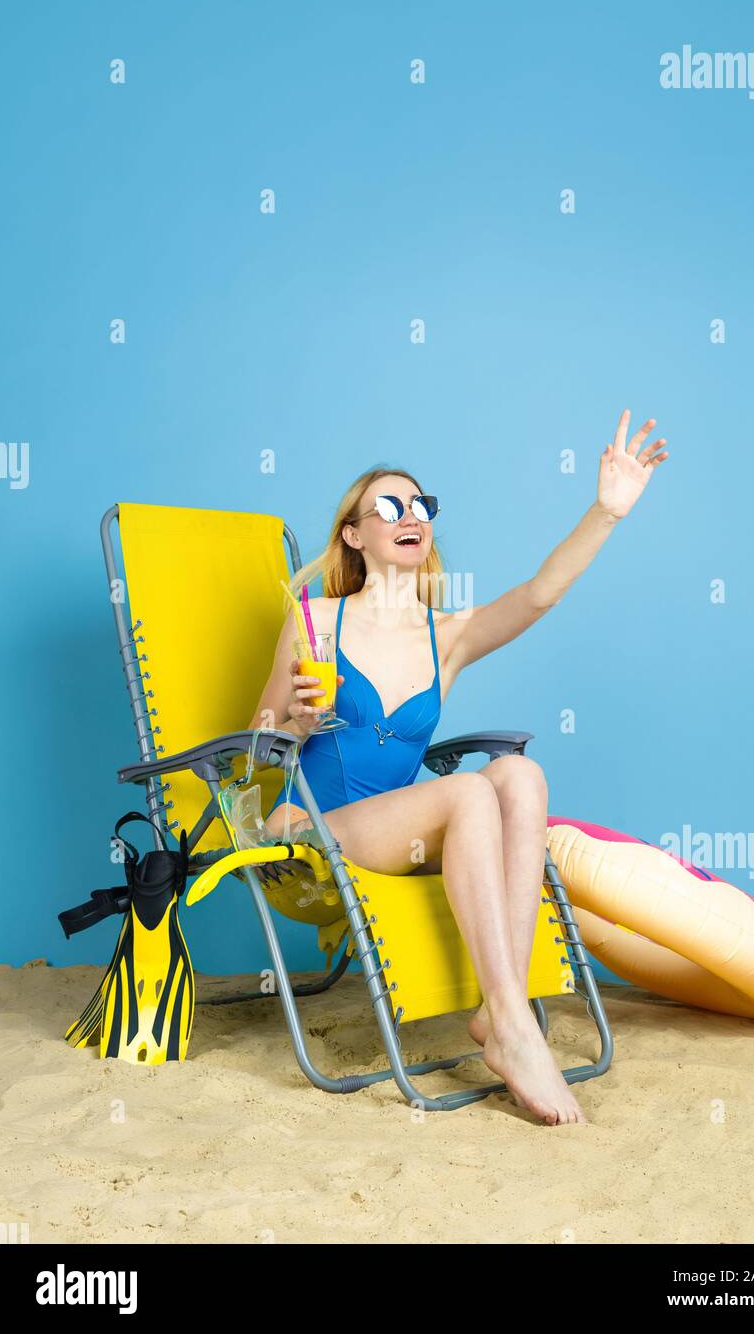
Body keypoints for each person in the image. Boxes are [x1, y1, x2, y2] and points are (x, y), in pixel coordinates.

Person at [252, 409, 668, 1124]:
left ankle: (496, 1010)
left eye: (421, 504)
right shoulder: (316, 619)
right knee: (471, 793)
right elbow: (254, 737)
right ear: (354, 534)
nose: (410, 514)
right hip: (310, 829)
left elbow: (538, 593)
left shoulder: (449, 636)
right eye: (389, 504)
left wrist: (605, 511)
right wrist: (296, 719)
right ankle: (512, 1024)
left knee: (519, 776)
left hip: (401, 829)